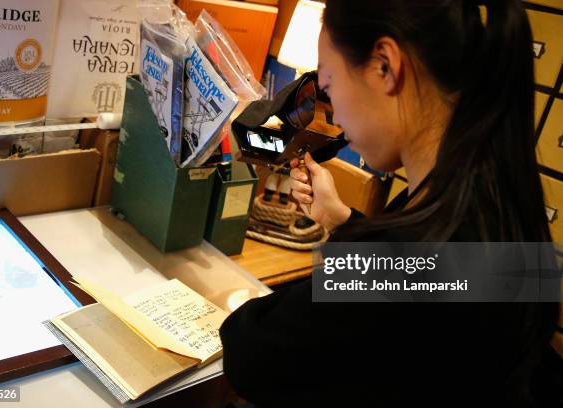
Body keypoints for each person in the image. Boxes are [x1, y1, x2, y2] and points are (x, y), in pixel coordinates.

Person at [219, 1, 562, 407]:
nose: (336, 115)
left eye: (328, 86)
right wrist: (344, 222)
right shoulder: (494, 197)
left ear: (385, 66)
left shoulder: (404, 261)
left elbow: (249, 354)